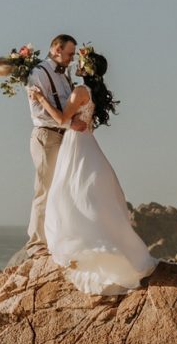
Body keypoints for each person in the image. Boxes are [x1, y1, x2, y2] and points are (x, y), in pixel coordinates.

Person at [28, 46, 159, 295]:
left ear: (87, 69)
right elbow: (82, 123)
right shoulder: (93, 92)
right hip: (88, 143)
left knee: (65, 194)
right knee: (87, 198)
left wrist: (40, 98)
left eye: (81, 61)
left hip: (75, 145)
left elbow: (60, 119)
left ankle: (80, 245)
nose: (77, 62)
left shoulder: (80, 91)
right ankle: (99, 244)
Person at [23, 35, 89, 253]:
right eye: (70, 54)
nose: (71, 59)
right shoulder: (38, 73)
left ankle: (55, 238)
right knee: (44, 188)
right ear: (57, 49)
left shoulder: (65, 74)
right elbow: (40, 112)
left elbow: (64, 104)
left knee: (60, 188)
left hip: (63, 136)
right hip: (46, 135)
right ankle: (36, 243)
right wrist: (70, 123)